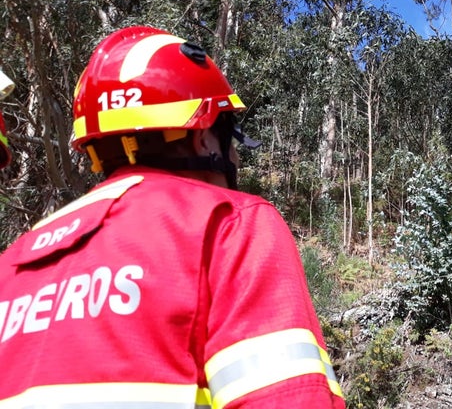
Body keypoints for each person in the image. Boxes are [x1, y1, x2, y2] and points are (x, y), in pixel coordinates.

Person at [0, 26, 345, 408]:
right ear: (201, 137)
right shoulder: (229, 224)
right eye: (230, 139)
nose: (235, 158)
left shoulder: (13, 261)